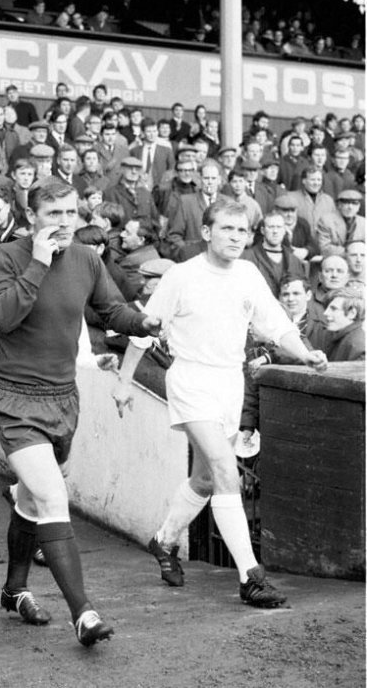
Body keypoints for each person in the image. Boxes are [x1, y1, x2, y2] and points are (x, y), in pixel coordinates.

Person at [114, 198, 327, 608]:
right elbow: (144, 331)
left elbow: (275, 323)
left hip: (230, 382)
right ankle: (251, 576)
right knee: (227, 470)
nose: (236, 237)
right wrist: (124, 381)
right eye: (227, 229)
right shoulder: (181, 275)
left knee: (206, 480)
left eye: (243, 230)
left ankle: (162, 540)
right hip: (191, 380)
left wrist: (305, 354)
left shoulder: (248, 274)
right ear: (208, 232)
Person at [0, 181, 161, 646]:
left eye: (69, 213)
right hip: (14, 399)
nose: (63, 222)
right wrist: (39, 263)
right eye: (53, 213)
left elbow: (111, 311)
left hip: (64, 399)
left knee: (29, 499)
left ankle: (14, 588)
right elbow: (2, 316)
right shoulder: (6, 258)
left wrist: (143, 322)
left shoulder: (86, 258)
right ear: (31, 214)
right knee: (53, 498)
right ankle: (83, 613)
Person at [318, 288, 365, 361]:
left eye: (333, 309)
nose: (325, 313)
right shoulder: (340, 337)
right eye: (327, 308)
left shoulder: (358, 347)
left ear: (351, 313)